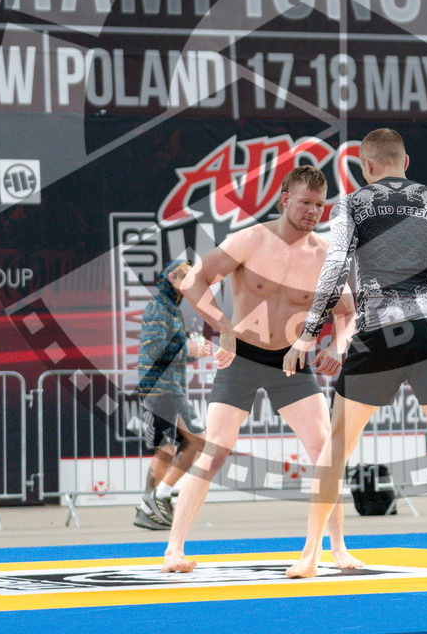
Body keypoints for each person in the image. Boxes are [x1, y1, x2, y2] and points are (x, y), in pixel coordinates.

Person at [283, 128, 427, 582]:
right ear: (407, 161)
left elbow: (335, 266)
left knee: (336, 449)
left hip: (377, 330)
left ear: (368, 167)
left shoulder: (355, 204)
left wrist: (307, 334)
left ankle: (309, 556)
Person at [161, 165, 360, 573]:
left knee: (326, 450)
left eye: (320, 205)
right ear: (285, 198)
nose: (312, 212)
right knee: (215, 450)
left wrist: (338, 347)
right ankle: (174, 550)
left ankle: (337, 549)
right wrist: (222, 326)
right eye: (305, 202)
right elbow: (194, 281)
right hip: (244, 358)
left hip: (291, 361)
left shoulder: (325, 256)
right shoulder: (251, 240)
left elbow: (348, 313)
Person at [133, 258, 212, 530]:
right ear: (173, 279)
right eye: (186, 276)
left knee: (166, 449)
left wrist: (192, 353)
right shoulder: (159, 307)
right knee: (197, 441)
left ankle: (149, 506)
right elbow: (154, 351)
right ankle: (159, 497)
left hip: (166, 387)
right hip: (161, 388)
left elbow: (167, 353)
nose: (192, 281)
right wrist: (189, 351)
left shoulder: (170, 308)